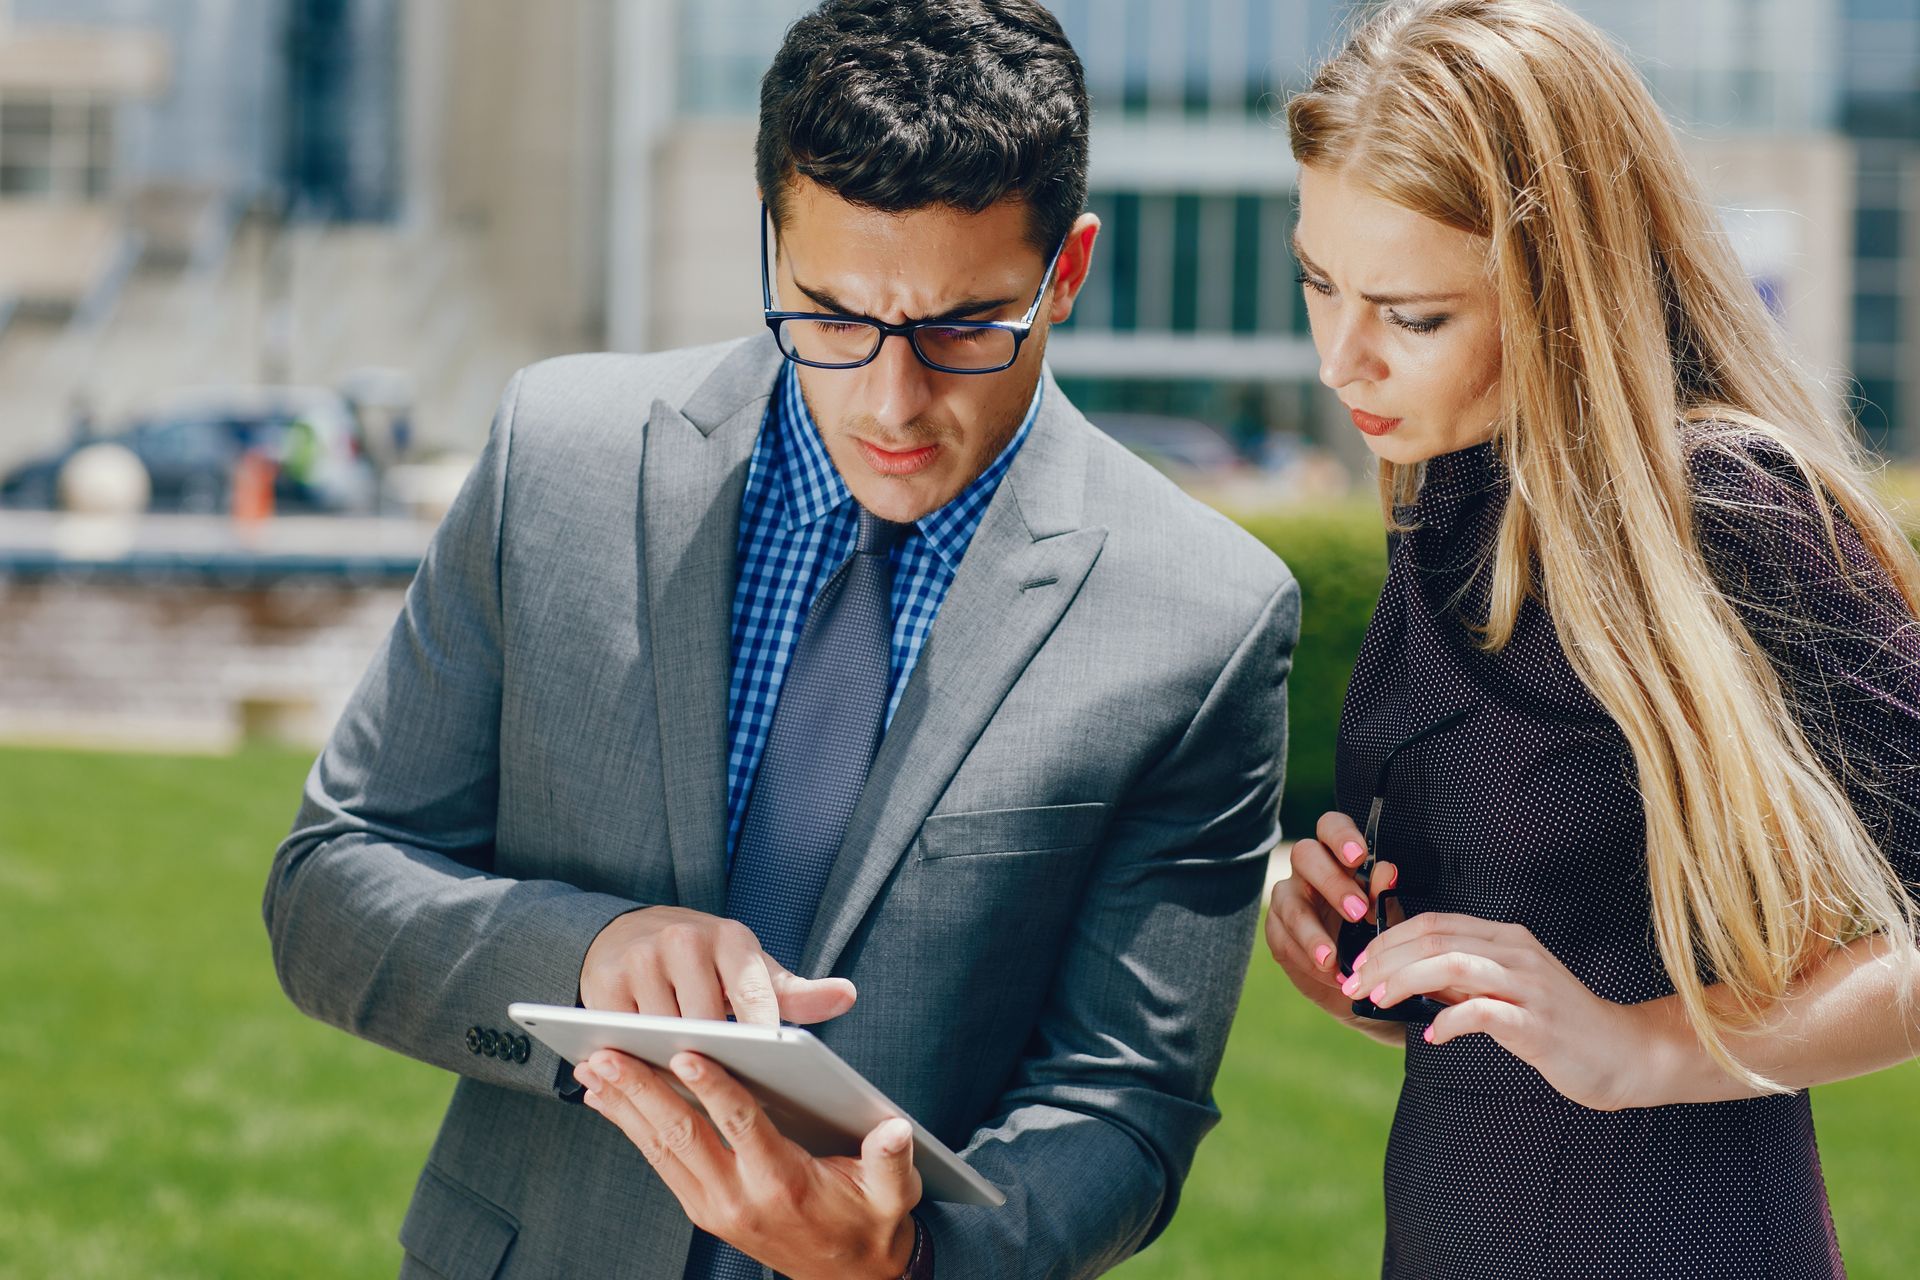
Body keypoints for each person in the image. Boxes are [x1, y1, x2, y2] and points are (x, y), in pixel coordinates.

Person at [263, 2, 1300, 1277]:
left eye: (965, 326)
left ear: (1067, 270)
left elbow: (1126, 1104)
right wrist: (591, 951)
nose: (891, 401)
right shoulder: (561, 458)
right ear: (771, 242)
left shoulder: (1204, 612)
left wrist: (911, 1254)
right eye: (832, 315)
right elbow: (330, 885)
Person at [1260, 2, 1920, 1276]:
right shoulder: (1445, 500)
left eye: (1412, 314)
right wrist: (1353, 944)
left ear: (1563, 292)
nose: (1341, 357)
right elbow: (1540, 957)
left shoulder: (1723, 507)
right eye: (1317, 280)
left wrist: (1653, 1045)